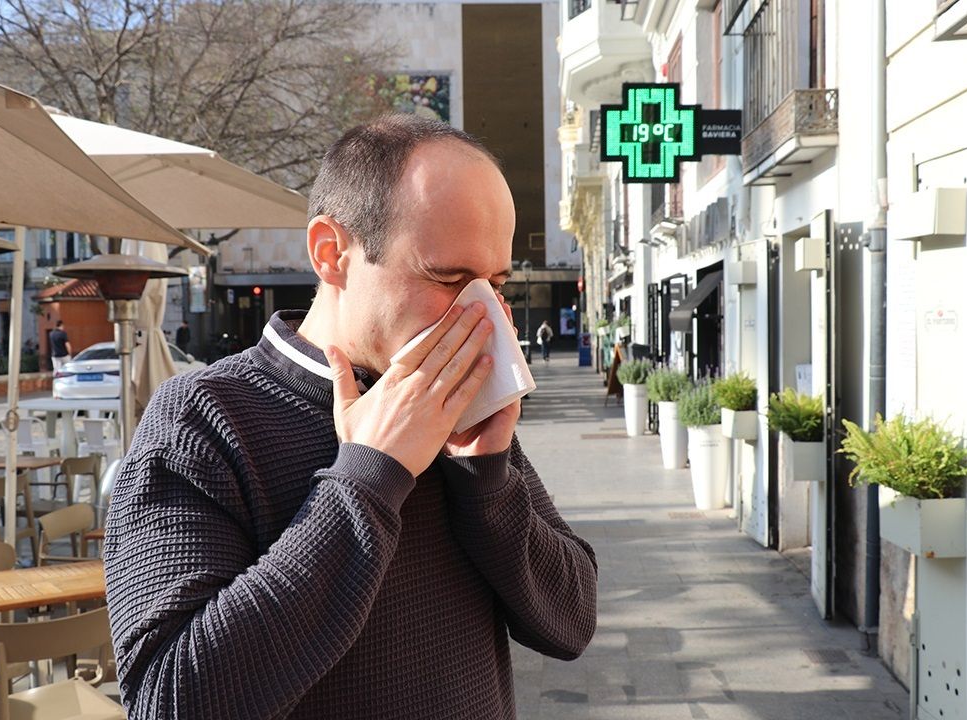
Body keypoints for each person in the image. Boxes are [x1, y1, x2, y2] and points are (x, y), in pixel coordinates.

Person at [104, 115, 598, 720]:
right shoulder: (202, 419)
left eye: (497, 284)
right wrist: (368, 479)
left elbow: (571, 622)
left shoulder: (451, 408)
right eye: (449, 279)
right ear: (331, 253)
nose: (486, 319)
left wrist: (488, 478)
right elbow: (168, 698)